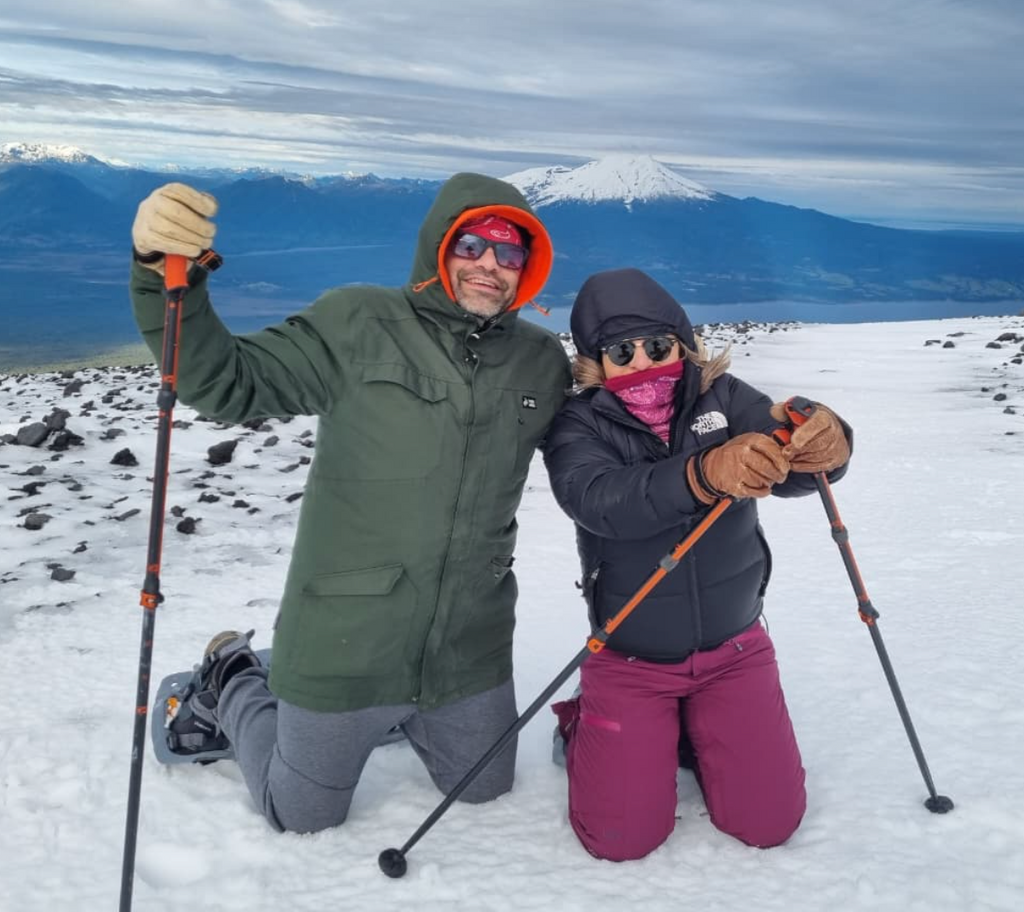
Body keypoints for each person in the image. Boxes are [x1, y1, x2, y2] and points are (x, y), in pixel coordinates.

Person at [128, 172, 571, 833]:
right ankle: (233, 677)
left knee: (485, 791)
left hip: (465, 646)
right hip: (346, 640)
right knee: (300, 815)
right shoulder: (358, 322)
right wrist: (161, 272)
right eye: (472, 244)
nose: (489, 263)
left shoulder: (540, 360)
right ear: (440, 247)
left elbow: (594, 457)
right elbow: (227, 382)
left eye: (509, 252)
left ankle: (401, 716)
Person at [541, 267, 853, 862]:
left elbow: (791, 465)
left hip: (734, 648)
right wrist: (701, 474)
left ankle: (690, 730)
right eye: (620, 352)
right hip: (630, 655)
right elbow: (598, 500)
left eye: (658, 346)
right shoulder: (579, 421)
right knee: (621, 840)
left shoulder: (724, 397)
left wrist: (828, 445)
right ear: (596, 362)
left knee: (769, 824)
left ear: (683, 345)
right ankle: (583, 720)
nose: (641, 361)